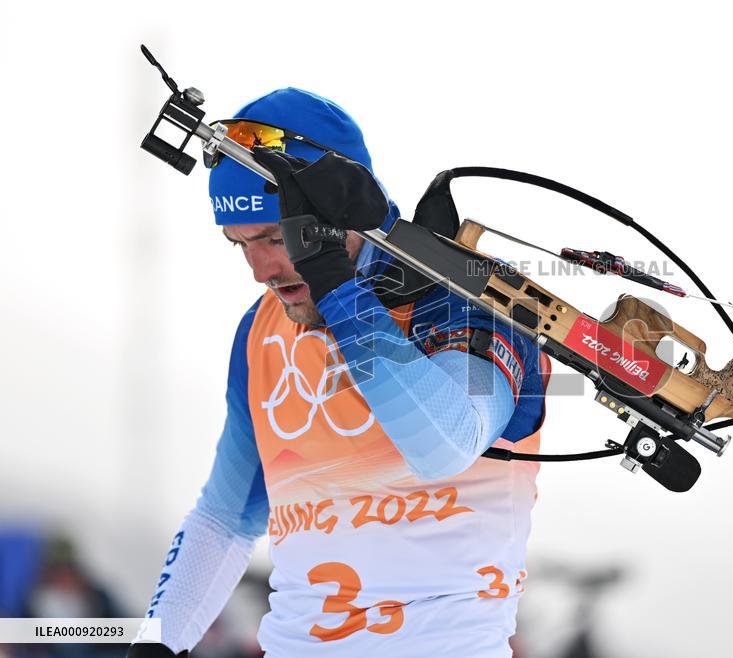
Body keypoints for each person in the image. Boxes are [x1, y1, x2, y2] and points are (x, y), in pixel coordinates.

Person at [129, 88, 547, 658]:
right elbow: (225, 521)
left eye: (277, 238)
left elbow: (448, 443)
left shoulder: (471, 300)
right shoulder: (262, 332)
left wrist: (338, 291)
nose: (261, 271)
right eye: (241, 245)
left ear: (339, 214)